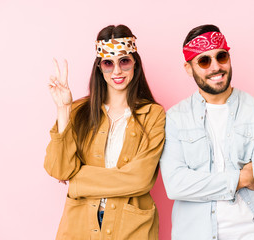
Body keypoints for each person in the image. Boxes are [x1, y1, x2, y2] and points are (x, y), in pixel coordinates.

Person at [160, 24, 254, 240]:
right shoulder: (175, 118)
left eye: (221, 57)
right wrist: (241, 178)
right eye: (204, 61)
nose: (215, 67)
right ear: (188, 68)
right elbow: (175, 185)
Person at [44, 24, 165, 240]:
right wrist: (63, 109)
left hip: (131, 227)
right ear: (99, 67)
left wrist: (78, 182)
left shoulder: (153, 115)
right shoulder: (79, 111)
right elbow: (60, 169)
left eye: (124, 61)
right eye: (108, 63)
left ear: (135, 64)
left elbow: (140, 179)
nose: (117, 71)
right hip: (79, 225)